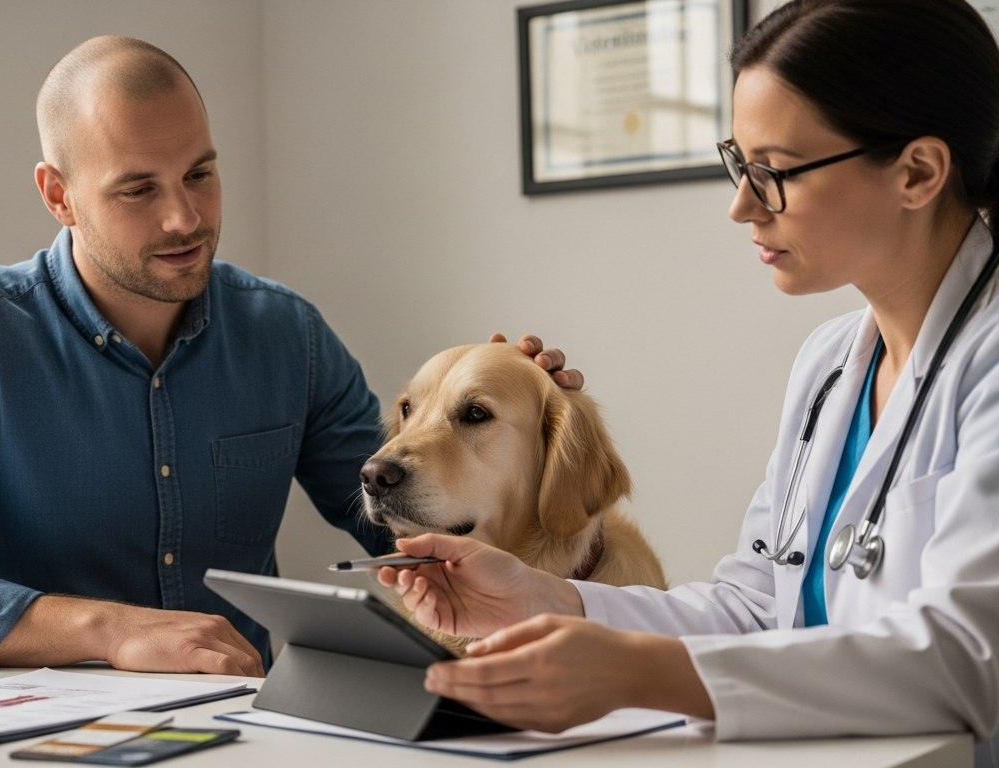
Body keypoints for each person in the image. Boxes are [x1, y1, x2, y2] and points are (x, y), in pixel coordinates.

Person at [0, 35, 580, 674]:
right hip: (34, 739)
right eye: (137, 190)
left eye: (201, 174)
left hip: (247, 731)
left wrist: (515, 435)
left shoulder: (288, 336)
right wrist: (109, 631)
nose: (185, 217)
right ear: (58, 195)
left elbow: (406, 527)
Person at [380, 0, 999, 762]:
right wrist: (546, 599)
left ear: (918, 171)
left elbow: (971, 659)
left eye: (771, 172)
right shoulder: (833, 363)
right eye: (739, 165)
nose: (741, 206)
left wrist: (642, 672)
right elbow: (754, 608)